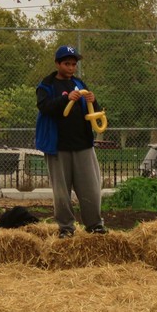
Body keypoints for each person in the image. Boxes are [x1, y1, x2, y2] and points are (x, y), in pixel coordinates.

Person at [35, 45, 106, 238]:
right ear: (58, 63)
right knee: (61, 192)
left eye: (74, 64)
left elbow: (93, 111)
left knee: (91, 188)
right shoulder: (46, 85)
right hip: (58, 146)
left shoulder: (79, 83)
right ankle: (66, 228)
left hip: (83, 144)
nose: (71, 67)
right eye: (67, 64)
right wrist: (65, 99)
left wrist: (93, 99)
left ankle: (94, 225)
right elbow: (45, 107)